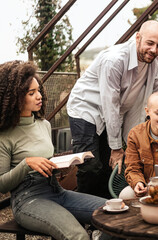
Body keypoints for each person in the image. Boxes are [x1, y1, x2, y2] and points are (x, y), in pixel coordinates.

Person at [0, 61, 109, 240]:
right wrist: (26, 164)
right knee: (77, 236)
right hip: (28, 200)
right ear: (15, 97)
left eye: (39, 91)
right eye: (31, 93)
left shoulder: (44, 125)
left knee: (115, 214)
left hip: (57, 191)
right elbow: (2, 185)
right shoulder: (4, 136)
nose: (39, 96)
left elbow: (46, 160)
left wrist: (61, 165)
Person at [67, 20, 158, 198]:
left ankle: (106, 212)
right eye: (150, 43)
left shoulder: (155, 62)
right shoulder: (114, 60)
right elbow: (110, 105)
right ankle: (85, 216)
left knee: (111, 167)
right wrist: (116, 148)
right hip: (87, 109)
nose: (154, 50)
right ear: (138, 38)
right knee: (91, 166)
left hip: (114, 113)